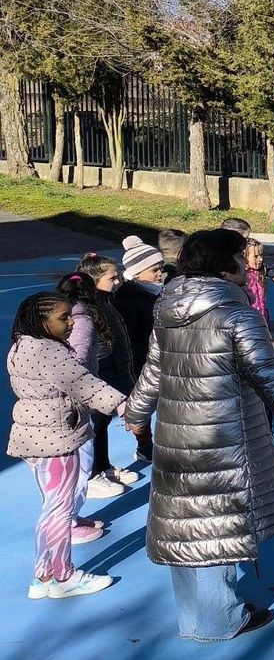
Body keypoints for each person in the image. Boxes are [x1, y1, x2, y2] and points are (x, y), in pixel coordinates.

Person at [123, 229, 274, 642]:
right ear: (223, 264)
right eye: (240, 258)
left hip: (176, 434)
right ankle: (221, 619)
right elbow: (270, 377)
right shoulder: (236, 313)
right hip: (224, 436)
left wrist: (137, 416)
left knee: (183, 523)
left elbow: (154, 369)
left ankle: (194, 618)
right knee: (216, 525)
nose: (248, 267)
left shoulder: (167, 307)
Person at [7, 292, 128, 600]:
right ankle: (63, 576)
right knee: (59, 509)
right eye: (63, 318)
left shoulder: (22, 345)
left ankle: (43, 575)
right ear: (41, 322)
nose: (71, 322)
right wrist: (125, 406)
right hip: (56, 438)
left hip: (35, 436)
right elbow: (85, 384)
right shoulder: (50, 352)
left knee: (51, 507)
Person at [58, 257, 136, 498]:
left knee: (102, 424)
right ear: (92, 282)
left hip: (108, 371)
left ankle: (102, 466)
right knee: (94, 426)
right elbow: (82, 356)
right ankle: (91, 475)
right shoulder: (84, 314)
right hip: (98, 374)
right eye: (112, 278)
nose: (118, 281)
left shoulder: (104, 302)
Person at [114, 235, 164, 461]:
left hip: (160, 356)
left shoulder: (156, 291)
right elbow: (128, 335)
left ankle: (163, 440)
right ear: (136, 272)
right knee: (142, 405)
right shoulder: (127, 299)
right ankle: (144, 445)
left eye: (161, 268)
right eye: (155, 270)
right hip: (140, 358)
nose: (160, 274)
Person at [242, 238, 269, 321]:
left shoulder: (259, 274)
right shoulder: (241, 276)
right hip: (248, 321)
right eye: (256, 256)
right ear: (244, 257)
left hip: (261, 319)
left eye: (261, 255)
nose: (261, 259)